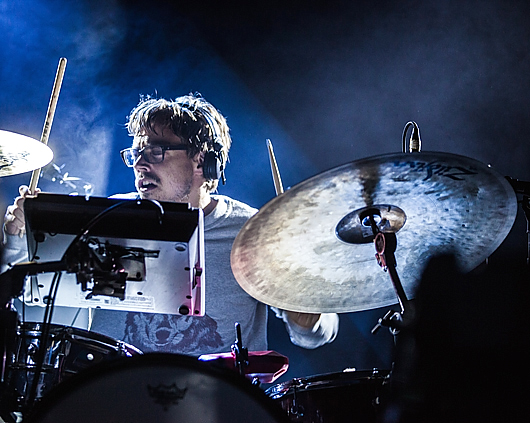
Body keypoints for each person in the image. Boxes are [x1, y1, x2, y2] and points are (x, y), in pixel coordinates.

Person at [2, 93, 338, 356]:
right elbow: (24, 290)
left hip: (216, 403)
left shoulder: (253, 231)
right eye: (136, 153)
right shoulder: (108, 217)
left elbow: (315, 336)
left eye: (156, 151)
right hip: (111, 398)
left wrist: (306, 314)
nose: (140, 164)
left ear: (201, 160)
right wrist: (16, 240)